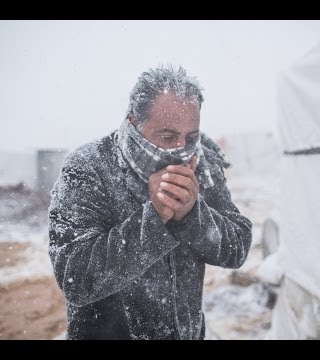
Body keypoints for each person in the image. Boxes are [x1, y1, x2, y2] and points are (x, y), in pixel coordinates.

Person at [48, 65, 252, 340]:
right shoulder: (88, 168)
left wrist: (192, 215)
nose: (181, 148)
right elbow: (76, 279)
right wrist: (154, 217)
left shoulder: (203, 162)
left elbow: (236, 247)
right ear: (134, 121)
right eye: (167, 137)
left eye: (191, 137)